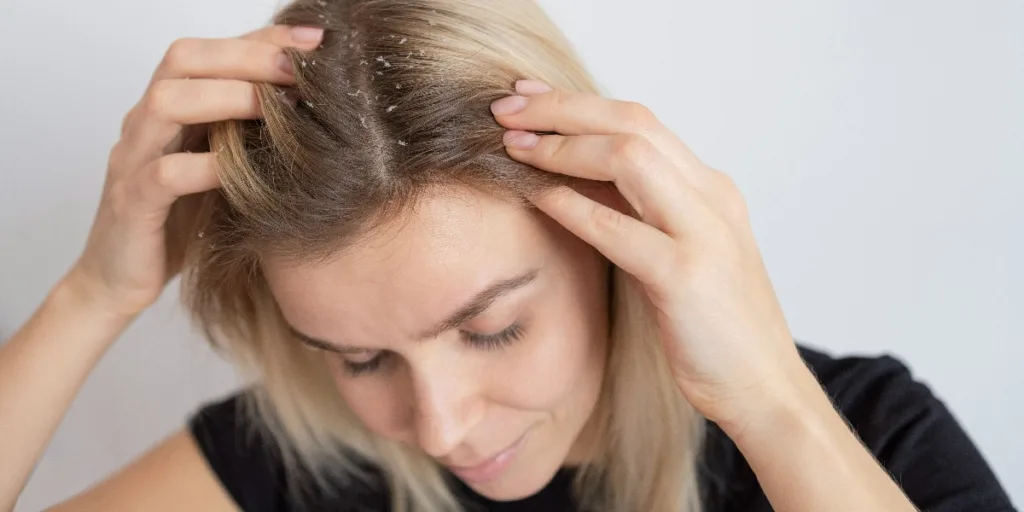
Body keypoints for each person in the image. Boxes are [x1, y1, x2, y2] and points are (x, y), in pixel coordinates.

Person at [0, 0, 1015, 511]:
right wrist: (94, 294)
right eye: (357, 358)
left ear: (606, 231)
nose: (437, 423)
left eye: (491, 325)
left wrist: (770, 403)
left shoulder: (866, 437)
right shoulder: (296, 457)